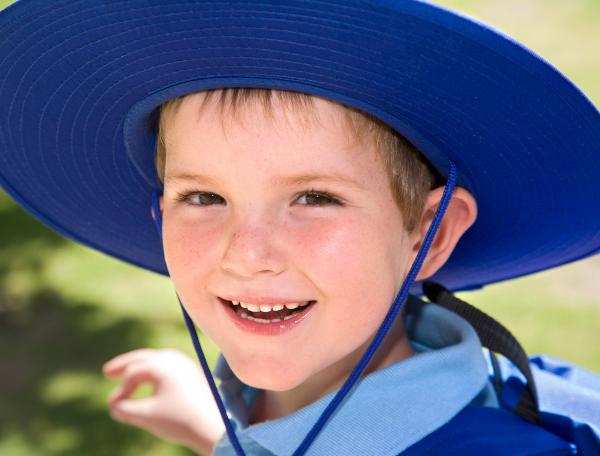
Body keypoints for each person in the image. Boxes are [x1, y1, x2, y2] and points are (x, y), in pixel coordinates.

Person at [0, 1, 598, 455]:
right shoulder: (284, 403)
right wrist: (221, 433)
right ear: (160, 212)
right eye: (204, 195)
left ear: (430, 232)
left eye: (314, 197)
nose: (248, 255)